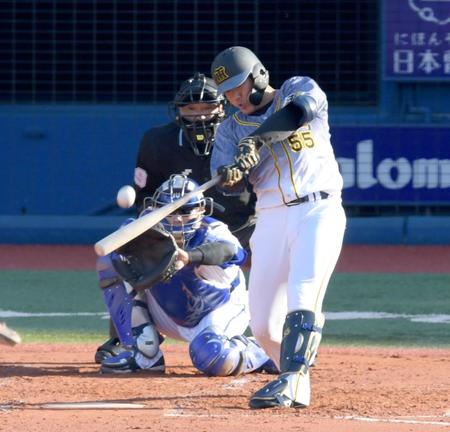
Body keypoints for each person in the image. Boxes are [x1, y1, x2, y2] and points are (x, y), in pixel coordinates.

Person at [209, 46, 346, 408]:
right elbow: (229, 187)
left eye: (239, 87)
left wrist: (255, 141)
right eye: (228, 93)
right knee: (264, 326)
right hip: (270, 216)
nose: (235, 98)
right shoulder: (228, 131)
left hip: (318, 208)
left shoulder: (296, 89)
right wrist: (232, 176)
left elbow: (300, 112)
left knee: (304, 292)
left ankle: (294, 380)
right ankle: (295, 367)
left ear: (259, 75)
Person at [95, 72, 257, 363]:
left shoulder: (243, 137)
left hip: (241, 225)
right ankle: (131, 339)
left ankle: (271, 336)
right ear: (178, 111)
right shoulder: (157, 142)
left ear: (222, 107)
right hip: (182, 228)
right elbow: (145, 201)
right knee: (127, 253)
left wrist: (242, 170)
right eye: (191, 108)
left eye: (207, 107)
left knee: (275, 255)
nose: (200, 115)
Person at [96, 174, 276, 376]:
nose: (177, 218)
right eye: (169, 210)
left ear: (201, 209)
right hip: (166, 312)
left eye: (184, 210)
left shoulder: (213, 231)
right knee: (110, 261)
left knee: (213, 356)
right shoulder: (145, 230)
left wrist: (190, 257)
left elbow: (235, 253)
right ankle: (144, 352)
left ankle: (261, 352)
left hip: (216, 312)